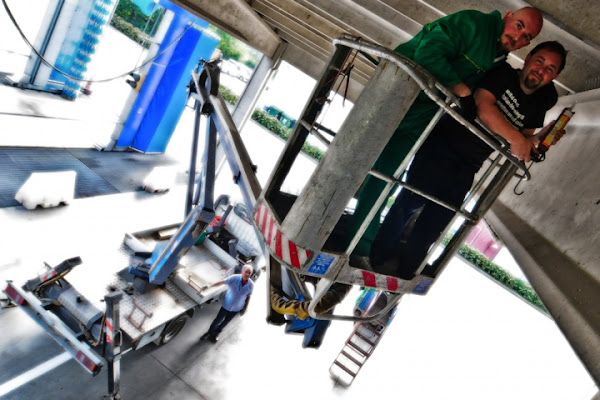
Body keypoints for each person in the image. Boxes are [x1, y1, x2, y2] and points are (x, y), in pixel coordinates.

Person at [346, 7, 544, 261]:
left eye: (527, 37)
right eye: (519, 26)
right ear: (507, 16)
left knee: (384, 177)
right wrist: (462, 91)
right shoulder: (474, 23)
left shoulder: (498, 60)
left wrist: (530, 139)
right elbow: (428, 51)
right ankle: (322, 222)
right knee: (352, 160)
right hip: (395, 93)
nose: (519, 38)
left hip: (422, 112)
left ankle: (360, 246)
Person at [369, 41, 568, 279]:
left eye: (550, 68)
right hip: (441, 146)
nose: (541, 70)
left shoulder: (538, 103)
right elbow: (484, 107)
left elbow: (522, 141)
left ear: (555, 76)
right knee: (409, 201)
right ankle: (376, 257)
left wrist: (540, 139)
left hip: (469, 165)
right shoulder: (503, 74)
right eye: (540, 61)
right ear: (528, 58)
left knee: (437, 221)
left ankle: (406, 272)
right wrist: (518, 139)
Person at [200, 264, 254, 342]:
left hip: (236, 309)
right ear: (242, 272)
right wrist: (209, 286)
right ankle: (209, 333)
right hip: (226, 306)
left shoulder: (251, 285)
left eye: (249, 273)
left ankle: (216, 333)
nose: (247, 274)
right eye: (246, 272)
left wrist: (245, 308)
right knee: (217, 320)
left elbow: (248, 297)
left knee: (225, 322)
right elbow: (222, 282)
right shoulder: (234, 278)